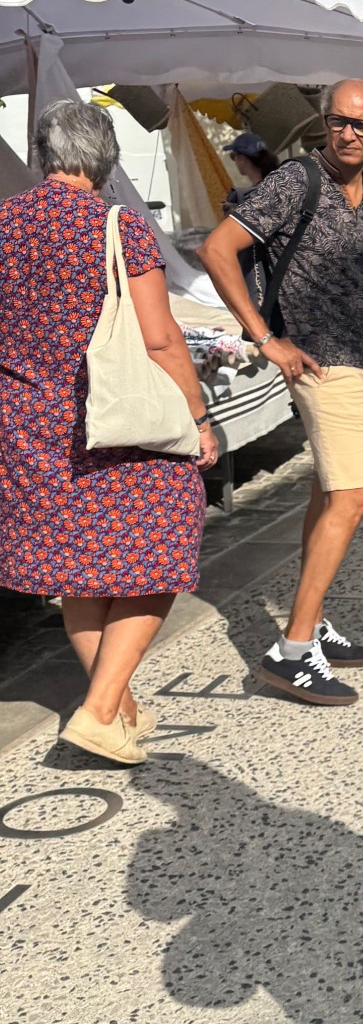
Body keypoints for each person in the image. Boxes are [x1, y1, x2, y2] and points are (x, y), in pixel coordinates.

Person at [0, 100, 217, 766]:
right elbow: (158, 337)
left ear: (42, 154)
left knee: (80, 572)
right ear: (106, 161)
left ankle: (117, 706)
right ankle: (98, 710)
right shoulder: (117, 227)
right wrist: (199, 418)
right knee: (167, 541)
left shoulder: (3, 222)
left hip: (26, 424)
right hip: (115, 420)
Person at [200, 78, 363, 704]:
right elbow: (218, 248)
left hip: (362, 359)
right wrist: (264, 338)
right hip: (318, 363)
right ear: (324, 123)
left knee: (327, 493)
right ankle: (292, 650)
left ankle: (312, 624)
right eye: (339, 121)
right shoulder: (295, 182)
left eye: (361, 124)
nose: (348, 133)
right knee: (353, 497)